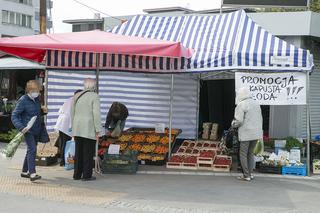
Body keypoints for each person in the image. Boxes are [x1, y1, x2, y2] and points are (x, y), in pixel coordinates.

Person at [11, 80, 48, 182]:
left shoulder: (37, 99)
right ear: (30, 90)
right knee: (32, 150)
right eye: (36, 90)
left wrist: (43, 112)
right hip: (28, 130)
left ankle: (24, 171)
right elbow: (14, 116)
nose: (38, 93)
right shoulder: (23, 100)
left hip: (36, 129)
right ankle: (32, 173)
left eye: (39, 91)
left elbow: (36, 114)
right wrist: (21, 127)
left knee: (30, 150)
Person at [71, 78, 102, 181]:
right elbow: (96, 114)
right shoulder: (94, 96)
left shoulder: (77, 96)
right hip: (89, 128)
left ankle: (76, 174)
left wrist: (73, 127)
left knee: (78, 152)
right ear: (94, 86)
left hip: (77, 127)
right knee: (88, 152)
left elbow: (72, 113)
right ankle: (87, 175)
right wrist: (98, 129)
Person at [231, 87, 263, 182]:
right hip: (256, 133)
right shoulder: (256, 103)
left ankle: (246, 175)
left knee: (243, 153)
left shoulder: (241, 105)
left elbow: (239, 121)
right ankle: (250, 173)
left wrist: (233, 124)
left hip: (246, 133)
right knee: (250, 153)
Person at [55, 89, 82, 166]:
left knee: (62, 142)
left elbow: (60, 111)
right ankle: (64, 161)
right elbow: (73, 115)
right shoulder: (76, 102)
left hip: (61, 123)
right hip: (67, 124)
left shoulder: (69, 99)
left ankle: (62, 160)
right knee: (66, 143)